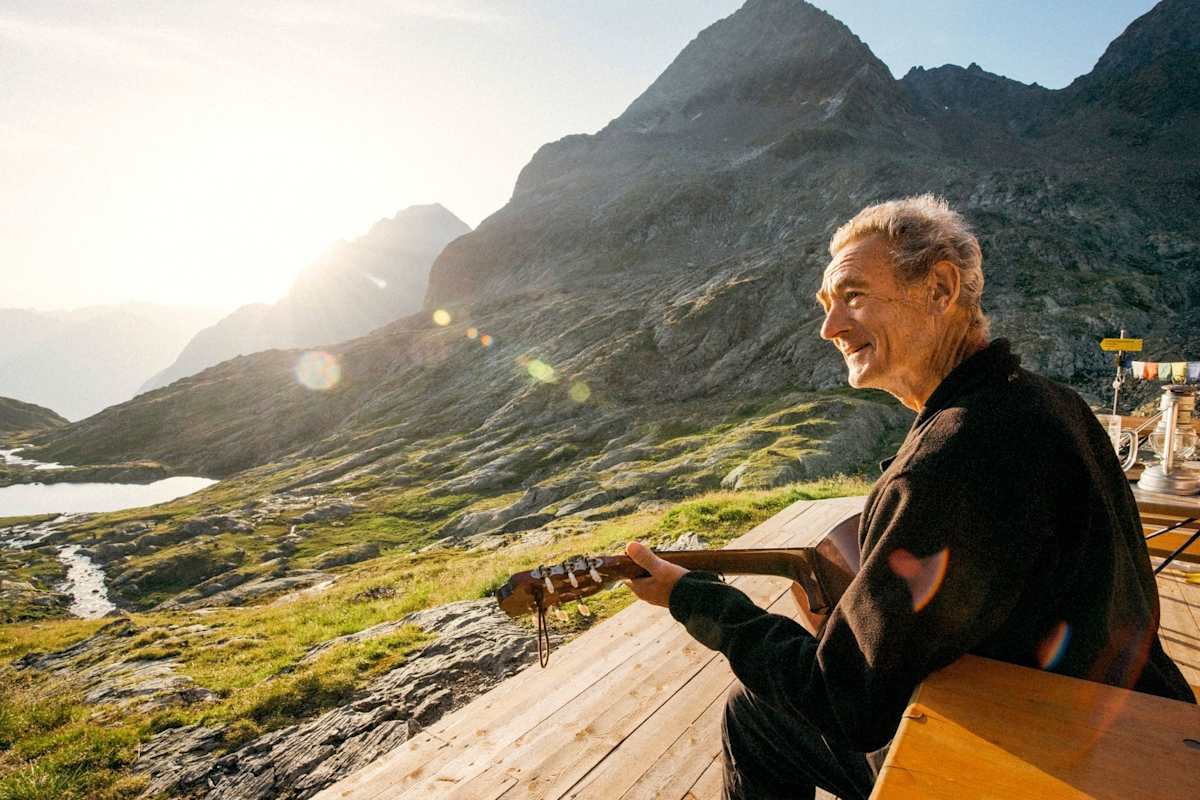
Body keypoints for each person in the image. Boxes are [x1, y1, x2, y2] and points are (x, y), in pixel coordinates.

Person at [624, 195, 1196, 800]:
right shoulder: (1051, 403)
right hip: (1124, 710)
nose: (830, 327)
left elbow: (846, 702)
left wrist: (690, 597)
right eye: (825, 306)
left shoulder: (954, 457)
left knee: (754, 715)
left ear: (941, 290)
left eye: (853, 296)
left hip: (1045, 761)